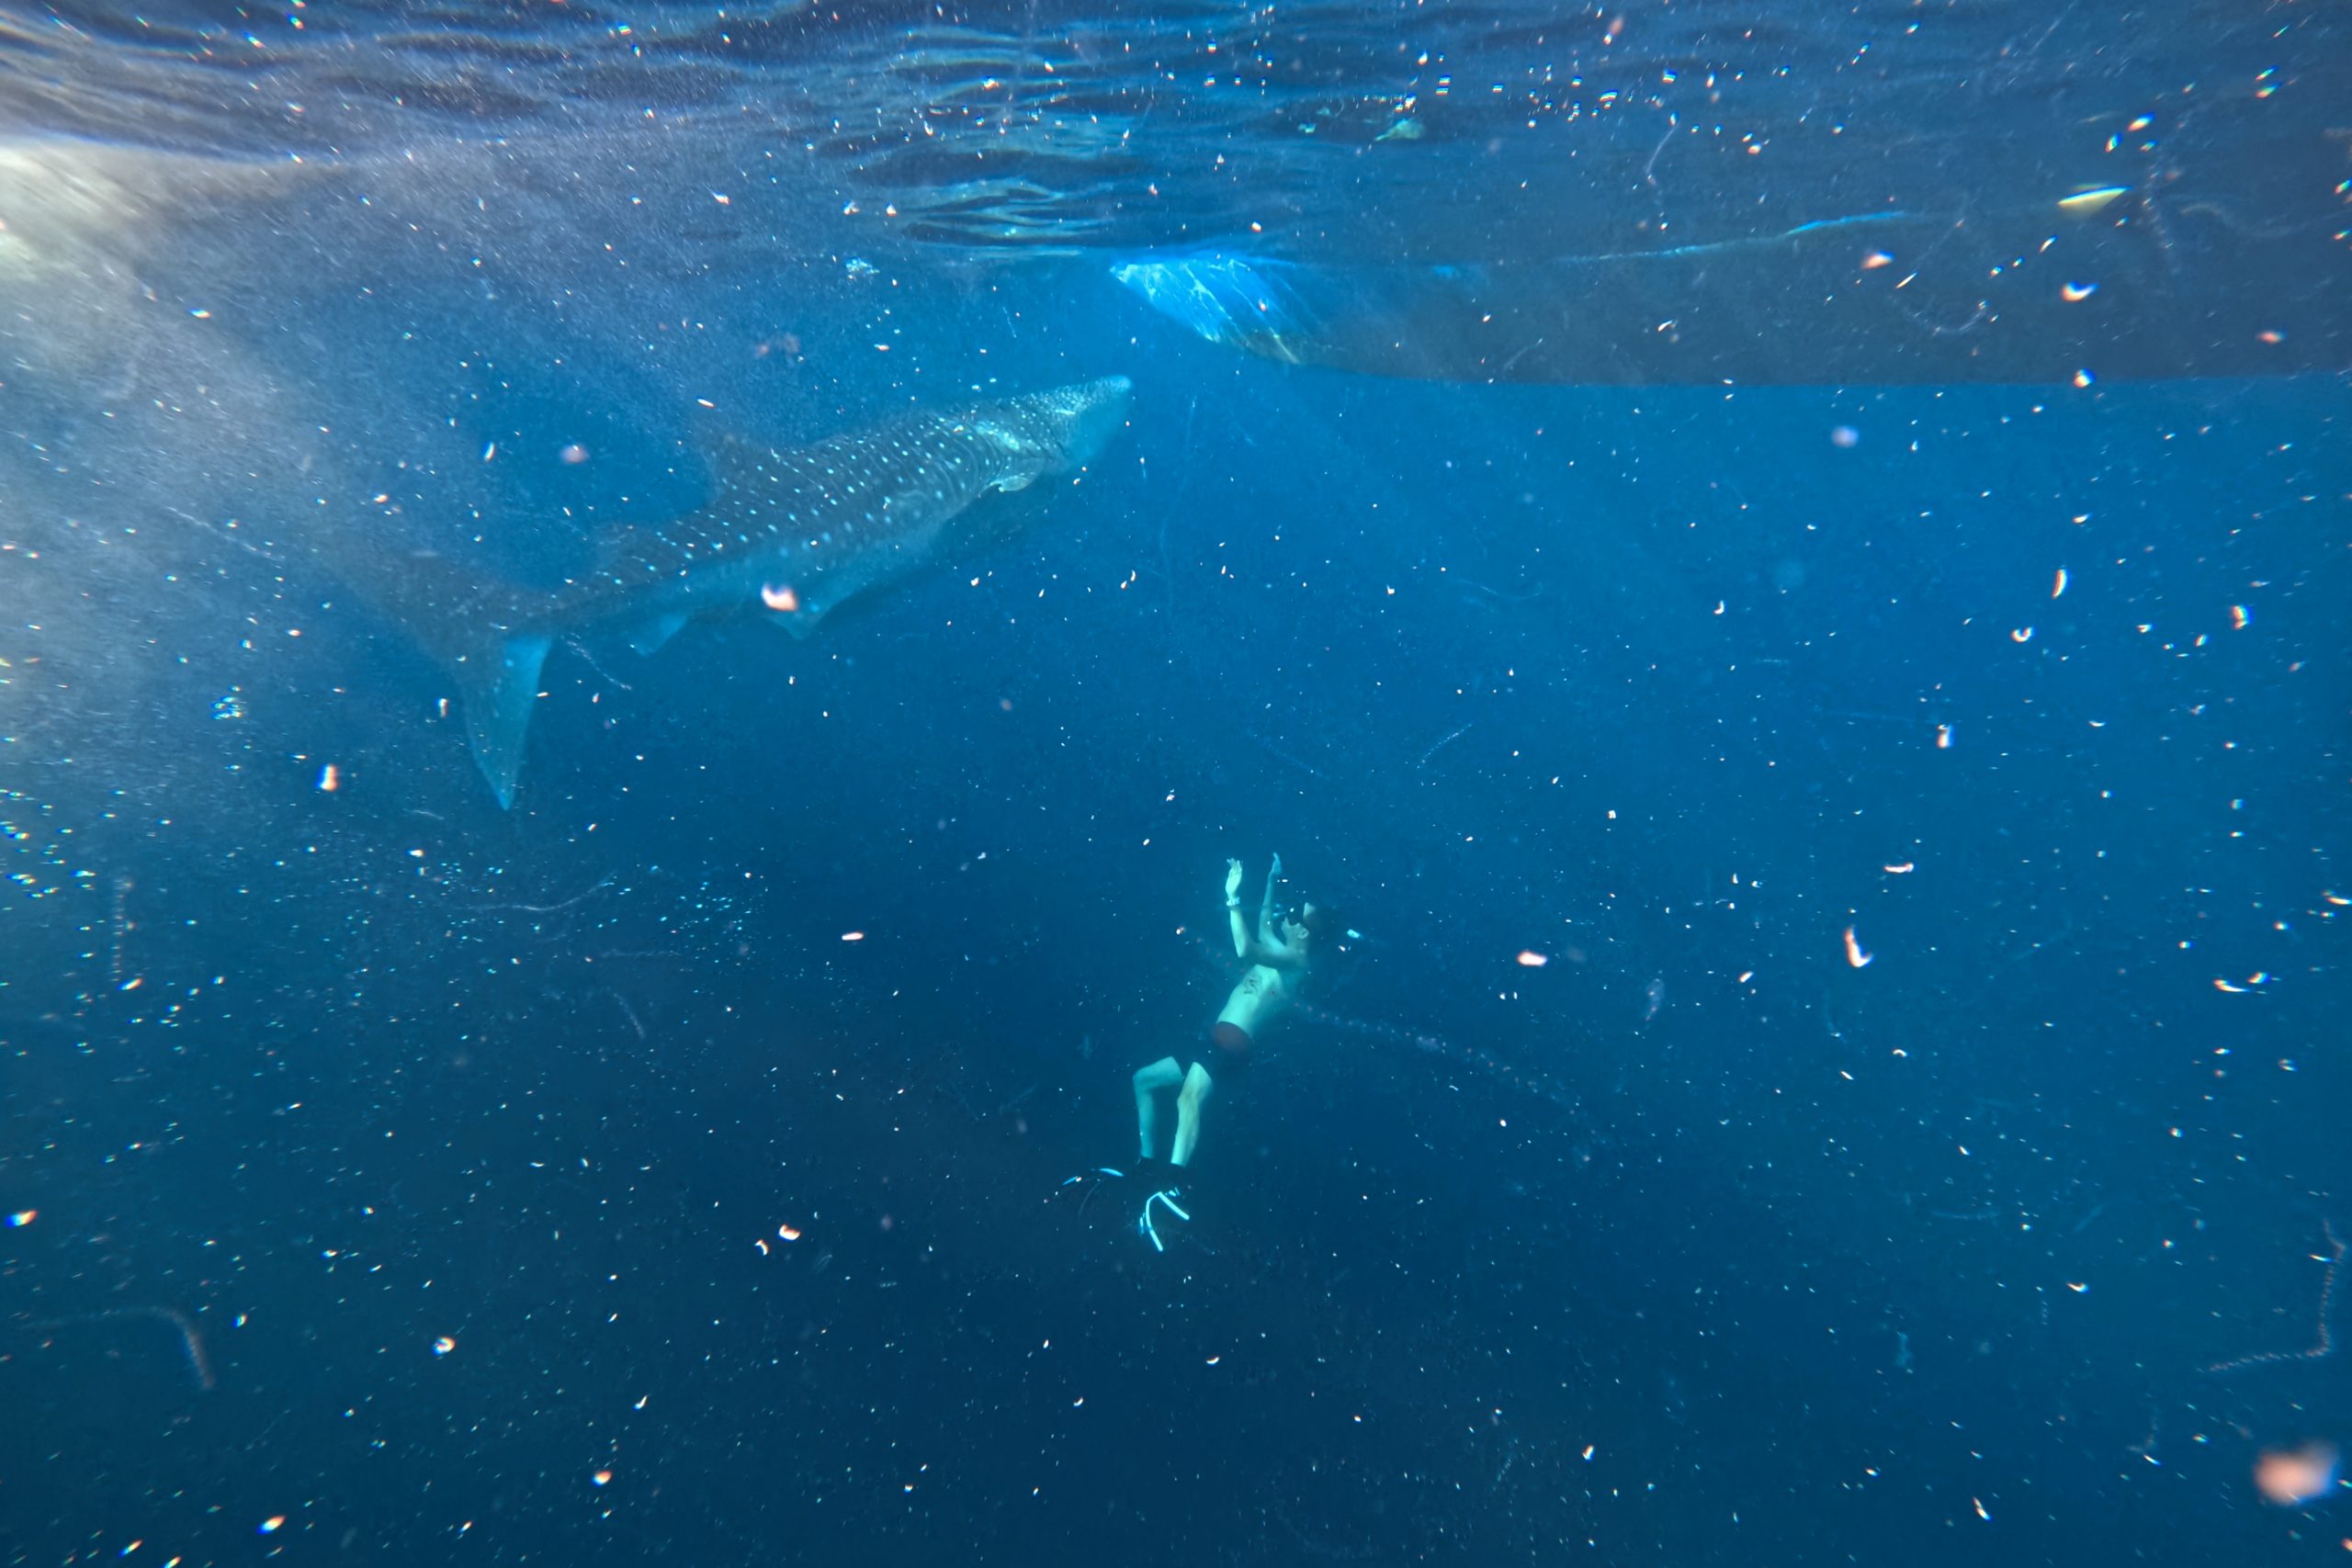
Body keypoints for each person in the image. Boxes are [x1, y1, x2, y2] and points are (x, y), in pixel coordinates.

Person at [1124, 856, 1337, 1247]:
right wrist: (1271, 880)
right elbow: (1264, 923)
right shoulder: (1283, 948)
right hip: (1212, 1037)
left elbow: (1243, 948)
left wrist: (1232, 897)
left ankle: (1174, 1184)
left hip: (1234, 1046)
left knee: (1188, 1100)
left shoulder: (1297, 961)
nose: (1288, 918)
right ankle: (1147, 1163)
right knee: (1144, 1079)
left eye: (1297, 919)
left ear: (1308, 935)